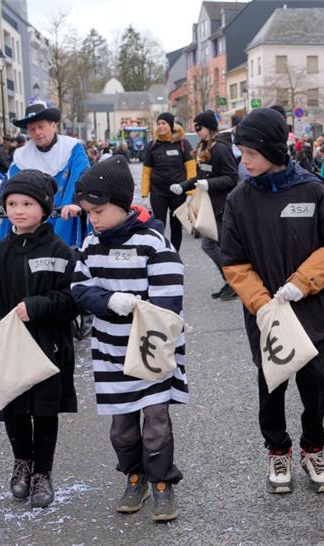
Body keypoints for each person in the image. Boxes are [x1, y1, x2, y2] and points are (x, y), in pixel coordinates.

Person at [219, 108, 324, 494]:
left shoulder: (312, 189)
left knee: (315, 380)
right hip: (266, 313)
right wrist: (261, 303)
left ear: (274, 151)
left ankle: (314, 446)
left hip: (311, 305)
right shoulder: (240, 199)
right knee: (271, 382)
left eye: (251, 153)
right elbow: (233, 261)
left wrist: (301, 283)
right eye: (241, 153)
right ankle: (277, 449)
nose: (245, 161)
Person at [70, 156, 187, 521]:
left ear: (121, 205)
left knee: (155, 421)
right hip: (110, 351)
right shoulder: (91, 243)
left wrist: (135, 307)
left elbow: (168, 298)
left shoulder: (154, 243)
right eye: (89, 212)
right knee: (122, 427)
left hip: (151, 349)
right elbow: (79, 286)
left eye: (100, 211)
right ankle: (133, 475)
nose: (94, 220)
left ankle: (162, 482)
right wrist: (108, 301)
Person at [0, 170, 79, 509]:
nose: (18, 210)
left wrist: (38, 307)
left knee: (45, 412)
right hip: (9, 349)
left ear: (44, 209)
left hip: (49, 346)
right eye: (13, 203)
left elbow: (72, 298)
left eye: (27, 204)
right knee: (15, 407)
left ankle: (42, 472)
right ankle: (22, 463)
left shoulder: (60, 251)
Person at [0, 101, 89, 247]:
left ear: (53, 125)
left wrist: (76, 203)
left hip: (62, 217)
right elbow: (10, 182)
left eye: (41, 127)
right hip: (30, 218)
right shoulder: (21, 154)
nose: (37, 133)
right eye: (32, 129)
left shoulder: (72, 148)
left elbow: (83, 176)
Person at [170, 110, 239, 301]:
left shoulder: (221, 149)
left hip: (222, 206)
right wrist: (183, 186)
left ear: (209, 127)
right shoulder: (205, 147)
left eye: (199, 128)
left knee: (219, 247)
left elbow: (233, 177)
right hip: (210, 206)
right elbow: (201, 176)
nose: (197, 131)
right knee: (213, 245)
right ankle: (231, 282)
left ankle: (234, 283)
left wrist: (210, 184)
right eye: (196, 128)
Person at [141, 112, 195, 252]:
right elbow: (147, 171)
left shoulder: (183, 143)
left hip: (178, 191)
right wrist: (145, 194)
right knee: (159, 224)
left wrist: (190, 191)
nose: (160, 126)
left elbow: (191, 169)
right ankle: (160, 252)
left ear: (171, 125)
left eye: (163, 123)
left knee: (176, 225)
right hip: (158, 191)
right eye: (158, 124)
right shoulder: (153, 145)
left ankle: (174, 253)